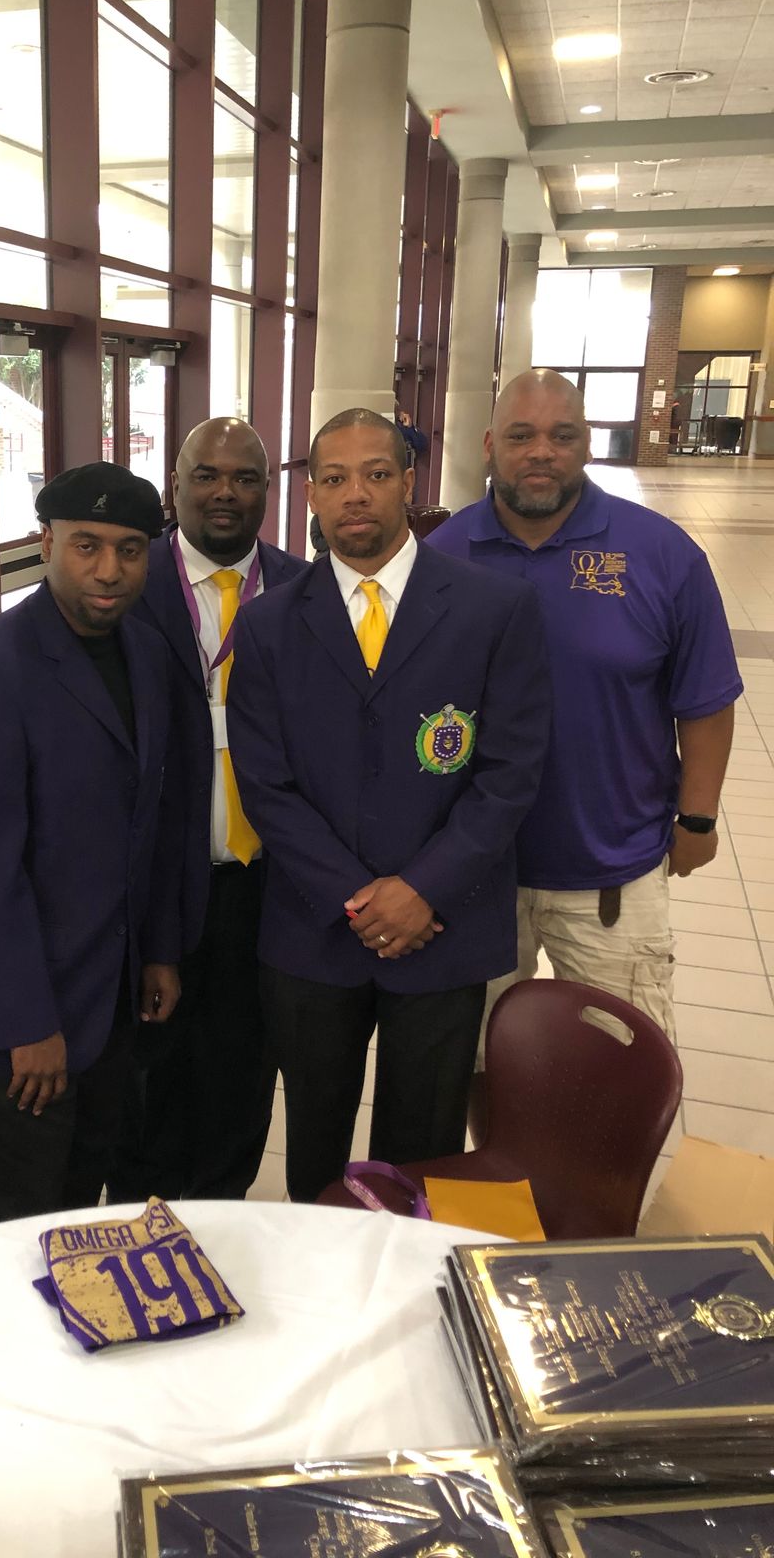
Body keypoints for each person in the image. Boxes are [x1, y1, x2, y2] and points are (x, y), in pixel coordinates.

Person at [227, 409, 550, 1203]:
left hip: (444, 926)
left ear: (409, 480)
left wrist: (422, 890)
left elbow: (509, 772)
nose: (356, 495)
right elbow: (265, 783)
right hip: (315, 930)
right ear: (311, 492)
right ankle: (323, 1269)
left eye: (375, 474)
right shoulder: (268, 623)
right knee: (315, 1145)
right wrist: (357, 897)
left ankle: (405, 1273)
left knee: (423, 1149)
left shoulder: (494, 608)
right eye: (334, 478)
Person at [428, 369, 741, 1119]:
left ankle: (594, 1191)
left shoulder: (661, 554)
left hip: (612, 873)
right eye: (521, 435)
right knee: (476, 1061)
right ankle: (499, 1174)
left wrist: (698, 818)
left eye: (561, 435)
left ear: (588, 443)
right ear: (488, 445)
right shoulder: (441, 553)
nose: (541, 451)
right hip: (474, 874)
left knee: (618, 1077)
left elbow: (705, 699)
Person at [0, 463, 182, 1225]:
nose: (109, 571)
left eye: (129, 550)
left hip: (114, 1001)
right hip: (30, 1021)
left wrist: (158, 951)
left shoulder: (146, 652)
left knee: (83, 1203)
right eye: (86, 546)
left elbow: (150, 820)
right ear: (46, 544)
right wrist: (24, 1023)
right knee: (24, 1222)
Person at [114, 418, 308, 1201]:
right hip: (157, 882)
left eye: (245, 477)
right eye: (206, 475)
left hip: (268, 885)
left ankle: (223, 1220)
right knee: (148, 1082)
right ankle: (142, 1231)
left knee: (243, 1074)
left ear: (268, 490)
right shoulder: (128, 588)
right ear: (176, 486)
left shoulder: (305, 589)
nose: (225, 492)